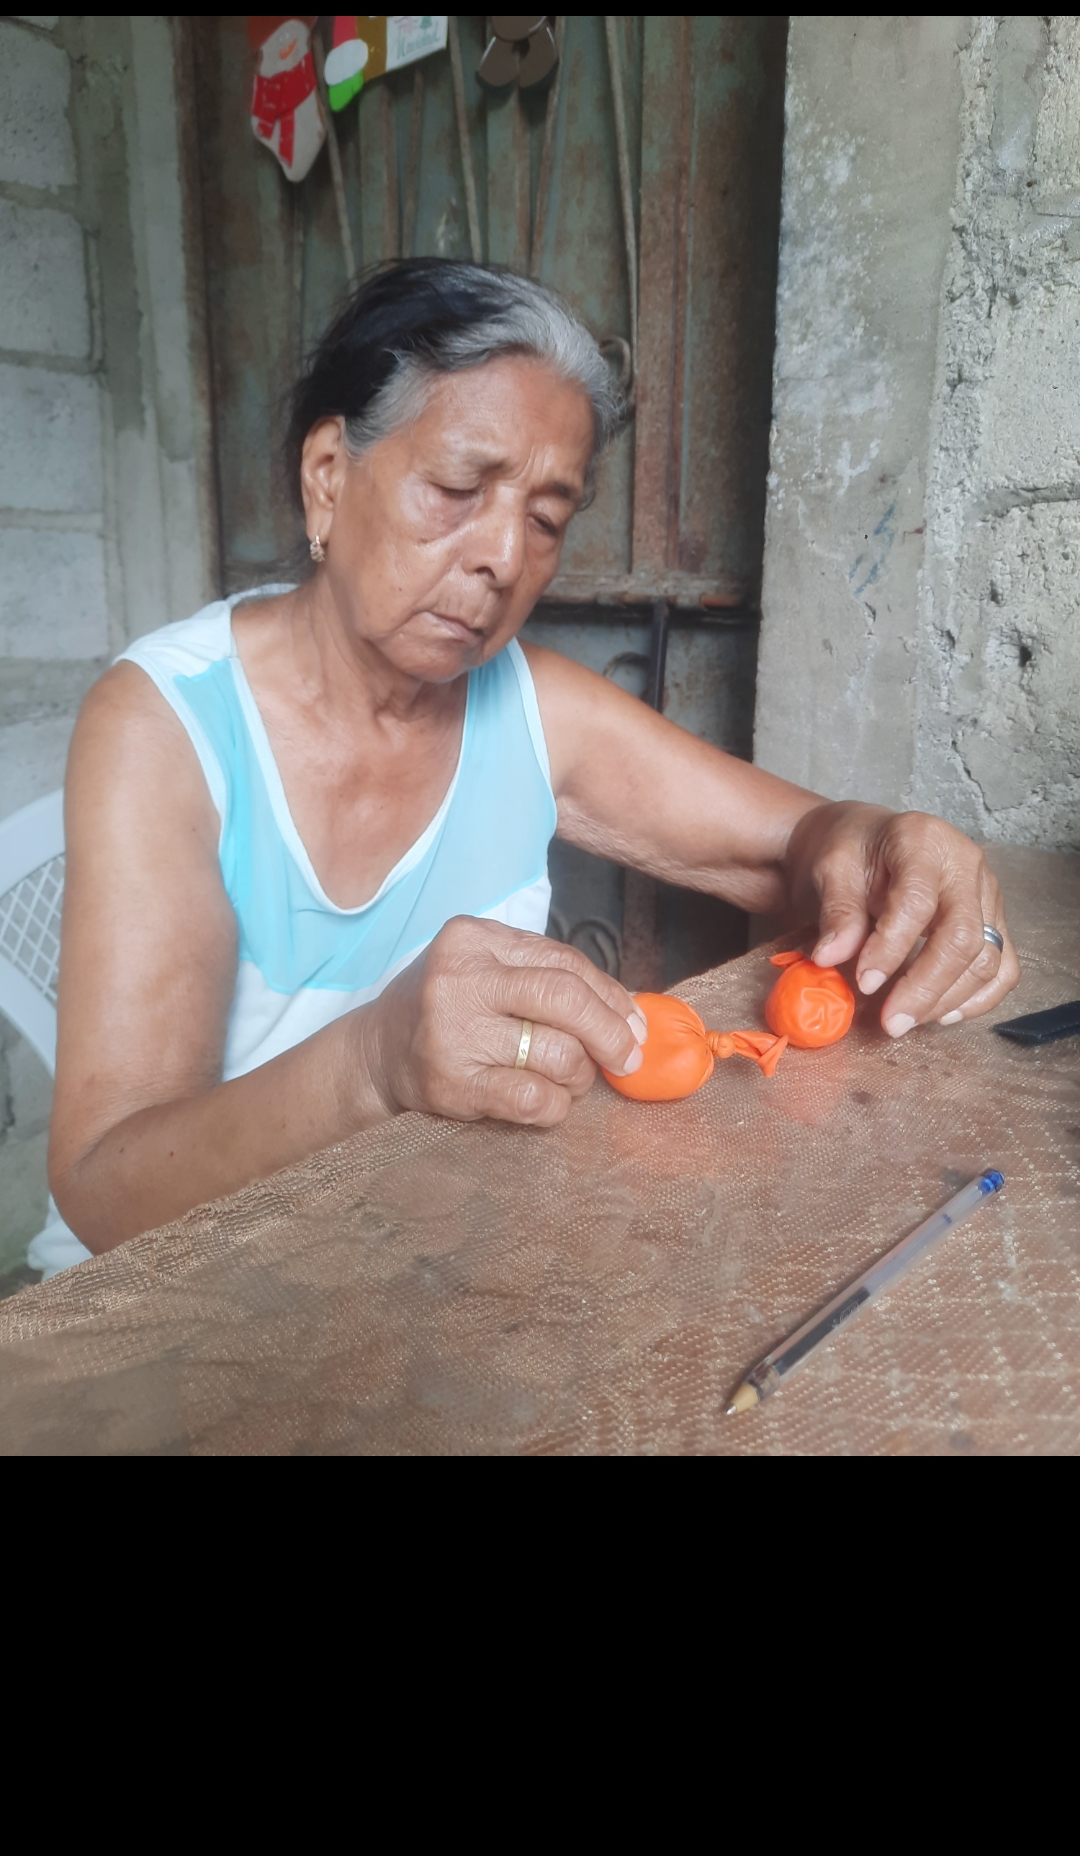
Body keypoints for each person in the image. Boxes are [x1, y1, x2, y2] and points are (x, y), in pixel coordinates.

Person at [50, 262, 1019, 1256]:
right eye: (455, 489)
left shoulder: (530, 708)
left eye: (546, 519)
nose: (505, 558)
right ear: (328, 477)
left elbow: (799, 849)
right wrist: (373, 1065)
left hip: (430, 1252)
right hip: (204, 1284)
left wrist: (886, 846)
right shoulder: (165, 726)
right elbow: (103, 1186)